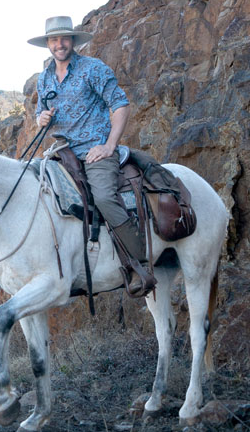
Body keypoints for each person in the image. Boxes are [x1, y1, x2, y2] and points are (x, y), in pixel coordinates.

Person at [28, 15, 155, 294]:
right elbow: (41, 114)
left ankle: (139, 264)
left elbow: (120, 105)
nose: (59, 44)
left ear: (73, 41)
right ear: (47, 44)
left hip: (95, 151)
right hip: (62, 153)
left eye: (64, 38)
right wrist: (42, 119)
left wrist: (109, 145)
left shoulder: (92, 69)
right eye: (53, 39)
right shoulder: (45, 77)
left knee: (104, 197)